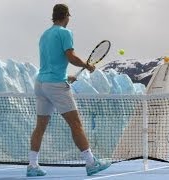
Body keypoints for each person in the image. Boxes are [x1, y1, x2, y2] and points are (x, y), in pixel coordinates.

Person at [27, 4, 111, 177]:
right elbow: (70, 57)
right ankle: (91, 163)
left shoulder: (44, 35)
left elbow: (51, 61)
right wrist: (87, 66)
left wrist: (67, 77)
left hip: (41, 84)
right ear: (66, 16)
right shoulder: (65, 33)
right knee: (76, 124)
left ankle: (32, 166)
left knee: (40, 126)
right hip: (55, 85)